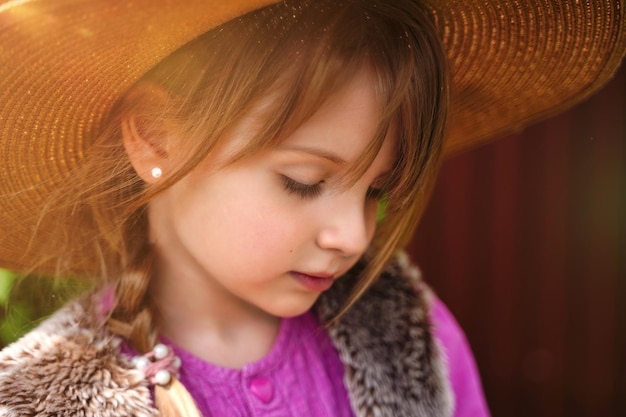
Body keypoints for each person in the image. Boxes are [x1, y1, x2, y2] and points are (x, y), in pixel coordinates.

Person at [0, 0, 623, 416]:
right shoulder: (41, 400)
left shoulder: (416, 343)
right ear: (156, 140)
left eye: (377, 191)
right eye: (302, 180)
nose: (353, 235)